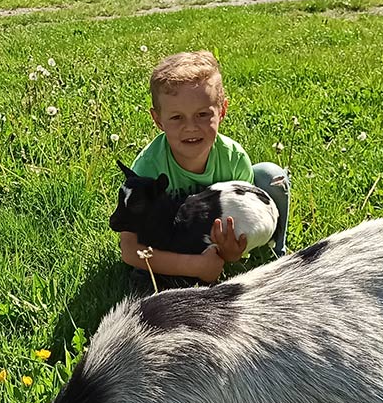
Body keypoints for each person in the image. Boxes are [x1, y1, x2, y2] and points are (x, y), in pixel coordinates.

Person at [117, 50, 290, 293]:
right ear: (158, 120)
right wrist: (195, 266)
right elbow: (129, 249)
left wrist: (233, 252)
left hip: (209, 237)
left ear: (222, 110)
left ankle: (276, 249)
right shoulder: (148, 169)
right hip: (171, 245)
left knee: (270, 176)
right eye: (177, 117)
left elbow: (242, 218)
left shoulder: (233, 158)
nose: (191, 127)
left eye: (203, 114)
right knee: (143, 274)